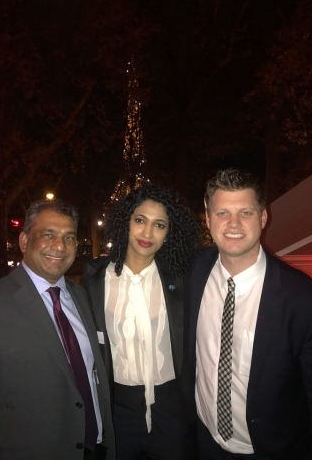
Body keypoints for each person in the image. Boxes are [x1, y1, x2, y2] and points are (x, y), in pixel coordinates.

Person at [0, 199, 115, 460]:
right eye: (48, 235)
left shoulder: (83, 297)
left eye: (69, 237)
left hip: (95, 450)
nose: (60, 246)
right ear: (25, 241)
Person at [185, 168, 312, 460]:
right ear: (207, 219)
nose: (233, 224)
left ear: (263, 217)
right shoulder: (190, 273)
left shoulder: (301, 296)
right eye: (221, 213)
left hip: (273, 450)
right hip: (204, 444)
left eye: (245, 212)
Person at [84, 184, 202, 460]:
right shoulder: (94, 277)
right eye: (140, 220)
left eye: (159, 225)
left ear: (169, 233)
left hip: (171, 405)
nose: (147, 233)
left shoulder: (182, 280)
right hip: (116, 407)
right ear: (126, 221)